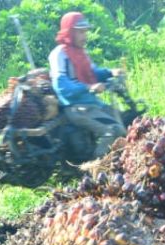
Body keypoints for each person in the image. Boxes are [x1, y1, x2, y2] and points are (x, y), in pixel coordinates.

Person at [48, 11, 126, 158]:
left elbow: (93, 72)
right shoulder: (59, 54)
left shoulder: (81, 52)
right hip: (76, 107)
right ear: (69, 32)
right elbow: (61, 85)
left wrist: (110, 72)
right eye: (80, 32)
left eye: (85, 31)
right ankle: (94, 170)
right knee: (113, 130)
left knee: (124, 121)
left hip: (92, 104)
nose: (84, 36)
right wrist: (89, 88)